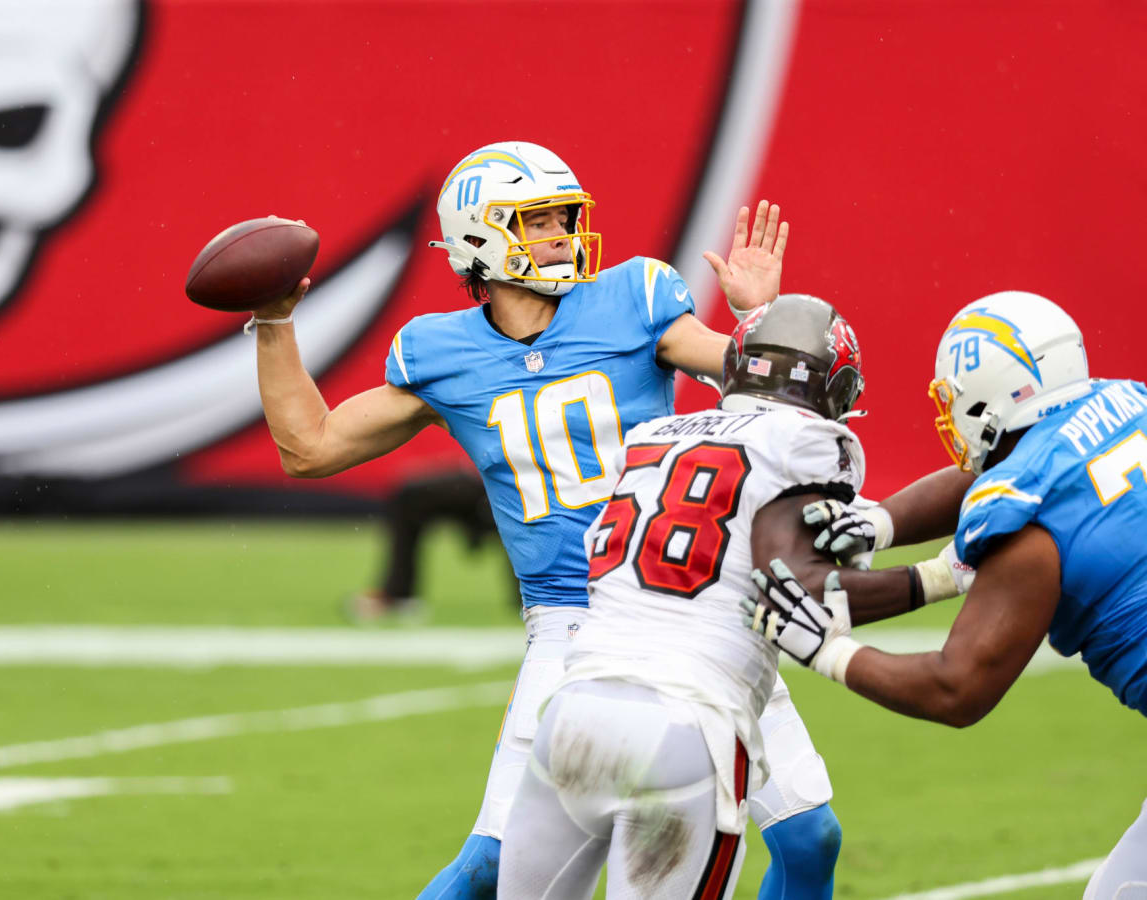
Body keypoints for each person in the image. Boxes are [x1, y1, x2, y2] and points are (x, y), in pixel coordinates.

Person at [248, 139, 840, 899]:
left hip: (692, 608)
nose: (562, 234)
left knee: (810, 835)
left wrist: (758, 316)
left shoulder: (635, 298)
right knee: (489, 868)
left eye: (564, 217)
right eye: (538, 221)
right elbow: (310, 448)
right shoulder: (440, 353)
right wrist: (273, 323)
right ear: (480, 236)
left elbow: (767, 395)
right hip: (567, 625)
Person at [744, 291, 1147, 899]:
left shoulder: (1027, 524)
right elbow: (1018, 465)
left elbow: (957, 689)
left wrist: (829, 652)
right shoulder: (1126, 401)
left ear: (988, 400)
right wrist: (880, 522)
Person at [495, 293, 867, 899]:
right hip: (691, 720)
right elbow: (821, 579)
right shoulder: (819, 445)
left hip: (575, 707)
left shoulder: (648, 437)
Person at [350, 465, 520, 622]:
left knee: (526, 519)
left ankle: (537, 597)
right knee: (408, 499)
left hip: (517, 482)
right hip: (490, 477)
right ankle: (398, 592)